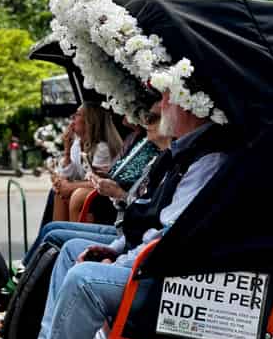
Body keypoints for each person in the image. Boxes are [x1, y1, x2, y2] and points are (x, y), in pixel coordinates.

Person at [0, 90, 229, 339]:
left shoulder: (207, 157)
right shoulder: (185, 150)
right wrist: (115, 249)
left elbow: (169, 237)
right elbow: (151, 221)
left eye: (169, 97)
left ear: (191, 107)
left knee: (84, 279)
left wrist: (121, 260)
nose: (161, 105)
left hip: (170, 279)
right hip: (157, 262)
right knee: (72, 252)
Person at [21, 101, 167, 266]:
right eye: (144, 116)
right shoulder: (143, 146)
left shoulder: (161, 159)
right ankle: (28, 272)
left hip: (128, 233)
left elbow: (147, 215)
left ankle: (34, 272)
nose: (145, 121)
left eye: (151, 118)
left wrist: (117, 191)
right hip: (126, 231)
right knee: (52, 224)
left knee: (66, 228)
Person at [52, 102, 123, 222]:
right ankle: (59, 238)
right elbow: (68, 175)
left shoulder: (102, 147)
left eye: (77, 115)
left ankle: (70, 235)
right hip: (88, 189)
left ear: (89, 121)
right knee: (59, 194)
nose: (72, 119)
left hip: (104, 197)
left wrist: (69, 186)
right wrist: (67, 149)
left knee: (74, 195)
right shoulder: (76, 144)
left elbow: (97, 181)